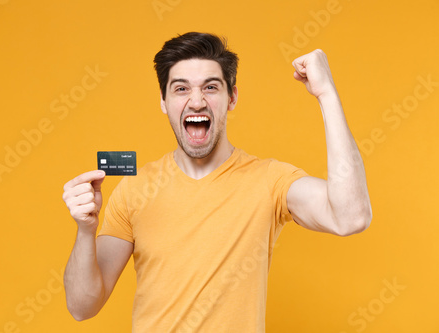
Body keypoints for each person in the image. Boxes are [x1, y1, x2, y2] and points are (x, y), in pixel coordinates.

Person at [61, 32, 372, 332]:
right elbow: (81, 307)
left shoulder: (270, 181)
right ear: (164, 101)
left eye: (210, 87)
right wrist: (85, 231)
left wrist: (327, 94)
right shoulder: (134, 189)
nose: (196, 101)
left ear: (232, 97)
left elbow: (351, 216)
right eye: (181, 89)